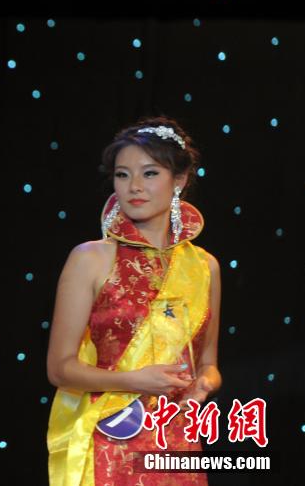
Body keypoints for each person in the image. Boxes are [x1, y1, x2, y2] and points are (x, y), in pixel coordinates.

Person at [46, 118, 222, 486]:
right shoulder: (90, 258)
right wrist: (133, 380)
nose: (134, 186)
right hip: (111, 438)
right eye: (122, 175)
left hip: (176, 442)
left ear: (179, 180)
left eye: (150, 173)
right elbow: (60, 369)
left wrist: (204, 384)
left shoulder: (205, 267)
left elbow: (208, 363)